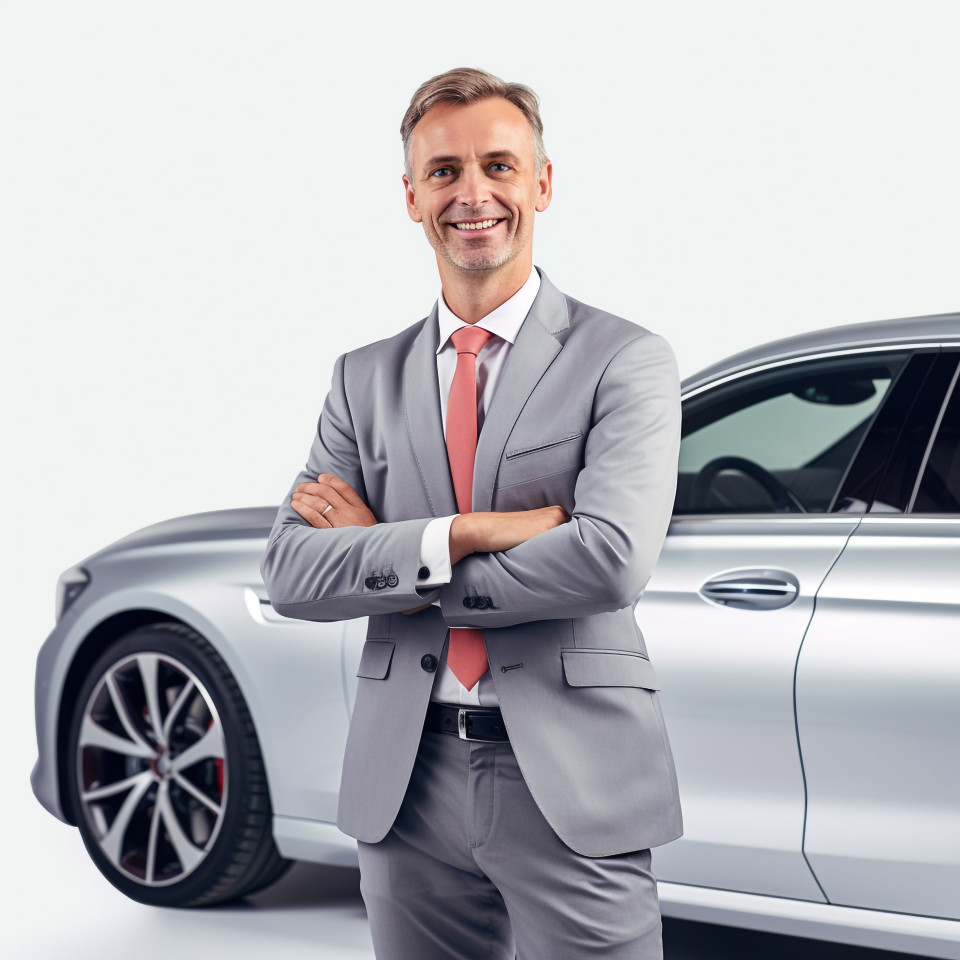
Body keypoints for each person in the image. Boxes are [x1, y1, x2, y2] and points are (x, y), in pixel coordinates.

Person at [260, 66, 683, 960]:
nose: (474, 193)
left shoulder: (624, 361)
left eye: (498, 164)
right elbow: (290, 573)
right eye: (445, 172)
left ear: (543, 182)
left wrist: (385, 560)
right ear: (411, 198)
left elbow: (608, 561)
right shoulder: (361, 378)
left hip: (570, 783)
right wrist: (464, 534)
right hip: (405, 781)